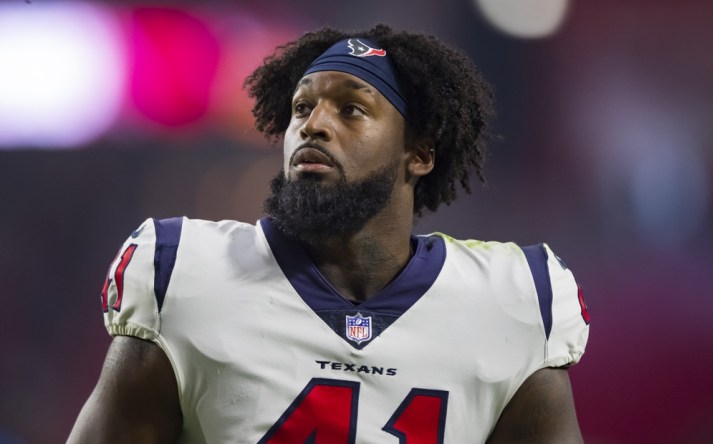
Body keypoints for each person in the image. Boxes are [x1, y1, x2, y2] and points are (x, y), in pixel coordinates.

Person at [68, 24, 590, 443]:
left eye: (351, 109)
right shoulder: (185, 273)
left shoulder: (515, 301)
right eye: (302, 107)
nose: (313, 125)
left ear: (421, 154)